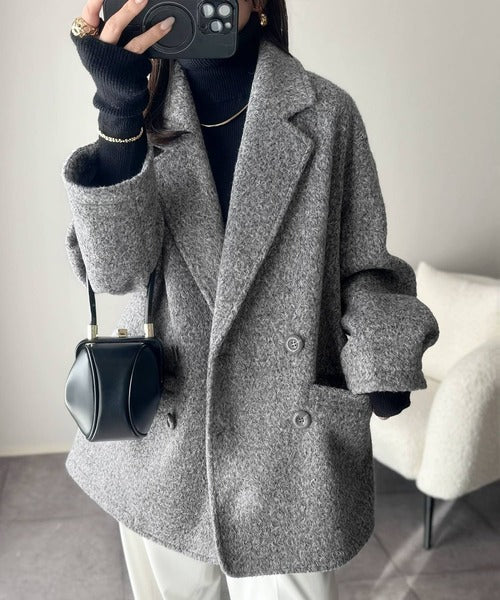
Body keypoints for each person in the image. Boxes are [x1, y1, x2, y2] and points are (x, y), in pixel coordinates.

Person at [61, 1, 440, 598]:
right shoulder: (140, 112)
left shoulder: (326, 112)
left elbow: (365, 264)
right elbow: (114, 273)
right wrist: (116, 110)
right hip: (164, 438)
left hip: (286, 446)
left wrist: (380, 360)